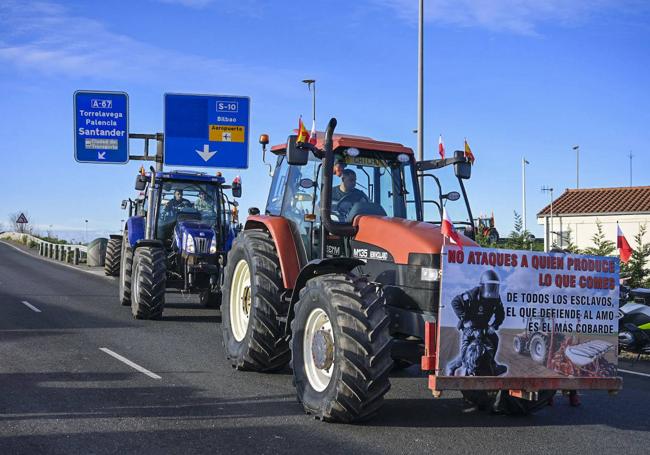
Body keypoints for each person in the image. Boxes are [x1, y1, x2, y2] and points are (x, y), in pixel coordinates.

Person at [446, 269, 507, 376]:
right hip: (470, 327)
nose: (492, 290)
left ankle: (492, 363)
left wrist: (494, 326)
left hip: (484, 326)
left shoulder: (496, 298)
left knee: (495, 339)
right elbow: (455, 302)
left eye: (494, 287)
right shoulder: (471, 295)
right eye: (490, 286)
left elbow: (501, 314)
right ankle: (454, 366)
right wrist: (465, 320)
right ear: (483, 286)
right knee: (466, 348)